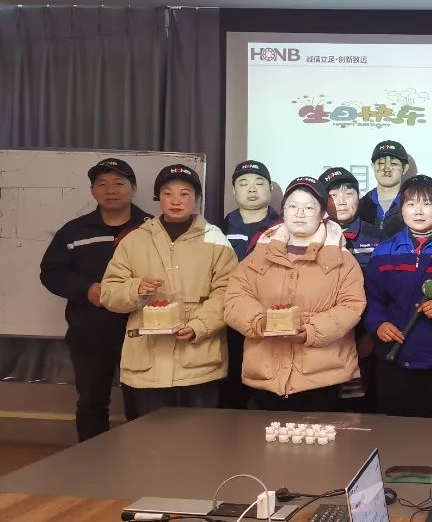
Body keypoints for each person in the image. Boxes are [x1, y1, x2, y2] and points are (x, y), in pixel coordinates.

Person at [101, 164, 237, 417]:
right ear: (158, 198)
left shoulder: (216, 240)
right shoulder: (134, 240)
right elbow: (108, 292)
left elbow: (228, 293)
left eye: (185, 194)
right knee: (150, 438)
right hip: (146, 367)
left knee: (199, 436)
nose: (176, 201)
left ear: (197, 199)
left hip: (199, 364)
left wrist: (199, 326)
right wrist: (135, 289)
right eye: (167, 193)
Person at [224, 177, 367, 412]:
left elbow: (351, 305)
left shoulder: (343, 260)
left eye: (309, 207)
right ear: (283, 212)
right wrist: (260, 321)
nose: (299, 213)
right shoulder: (259, 254)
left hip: (323, 379)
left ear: (322, 214)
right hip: (266, 376)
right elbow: (235, 298)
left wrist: (311, 331)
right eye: (292, 206)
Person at [39, 158, 151, 441]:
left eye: (118, 183)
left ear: (134, 188)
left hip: (141, 332)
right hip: (90, 332)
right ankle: (91, 462)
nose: (110, 190)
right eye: (102, 184)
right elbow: (51, 272)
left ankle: (144, 461)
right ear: (92, 191)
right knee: (91, 401)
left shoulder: (152, 229)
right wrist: (85, 288)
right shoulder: (74, 231)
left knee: (142, 405)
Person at [363, 175, 432, 418]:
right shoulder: (385, 251)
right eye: (411, 204)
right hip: (393, 357)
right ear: (401, 208)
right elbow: (372, 296)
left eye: (427, 204)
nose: (418, 211)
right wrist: (378, 324)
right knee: (396, 430)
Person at [320, 166, 383, 411]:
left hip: (365, 339)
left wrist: (371, 334)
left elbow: (383, 291)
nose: (342, 201)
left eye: (349, 193)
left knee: (359, 413)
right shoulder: (311, 236)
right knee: (322, 413)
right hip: (321, 340)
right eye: (333, 195)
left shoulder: (377, 237)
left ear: (358, 198)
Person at [219, 159, 280, 409]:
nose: (252, 189)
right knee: (231, 401)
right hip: (228, 325)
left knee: (270, 402)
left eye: (259, 183)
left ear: (270, 189)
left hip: (272, 324)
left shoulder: (284, 228)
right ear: (234, 190)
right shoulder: (217, 229)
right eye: (244, 183)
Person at [356, 140, 410, 238]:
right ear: (373, 167)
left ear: (405, 168)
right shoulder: (360, 206)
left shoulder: (414, 205)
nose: (386, 169)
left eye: (393, 163)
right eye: (381, 163)